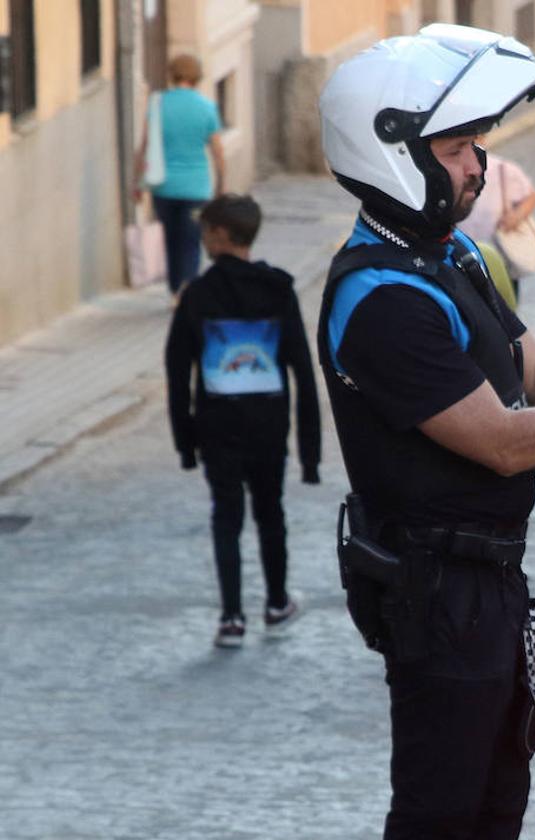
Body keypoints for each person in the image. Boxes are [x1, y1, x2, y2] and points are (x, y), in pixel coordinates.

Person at [315, 26, 535, 840]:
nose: (477, 165)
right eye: (456, 147)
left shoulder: (452, 257)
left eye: (476, 144)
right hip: (435, 590)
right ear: (392, 152)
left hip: (488, 586)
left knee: (496, 804)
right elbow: (501, 439)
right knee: (441, 813)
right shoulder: (381, 299)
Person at [165, 193, 321, 648]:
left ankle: (232, 617)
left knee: (226, 518)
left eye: (205, 230)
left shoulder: (197, 295)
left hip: (217, 428)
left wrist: (185, 442)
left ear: (219, 235)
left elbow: (177, 373)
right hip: (269, 427)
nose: (201, 237)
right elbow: (302, 371)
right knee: (271, 513)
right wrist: (309, 454)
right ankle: (276, 603)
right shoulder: (277, 289)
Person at [134, 53, 226, 294]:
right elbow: (217, 151)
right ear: (197, 78)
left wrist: (137, 184)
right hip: (196, 188)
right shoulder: (206, 108)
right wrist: (221, 185)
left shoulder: (158, 105)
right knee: (191, 242)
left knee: (171, 241)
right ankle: (188, 290)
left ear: (172, 75)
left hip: (164, 186)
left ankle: (175, 291)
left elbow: (144, 147)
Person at [457, 139, 535, 300]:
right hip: (464, 250)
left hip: (500, 251)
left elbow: (531, 196)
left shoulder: (503, 168)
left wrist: (516, 217)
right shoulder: (452, 170)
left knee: (505, 301)